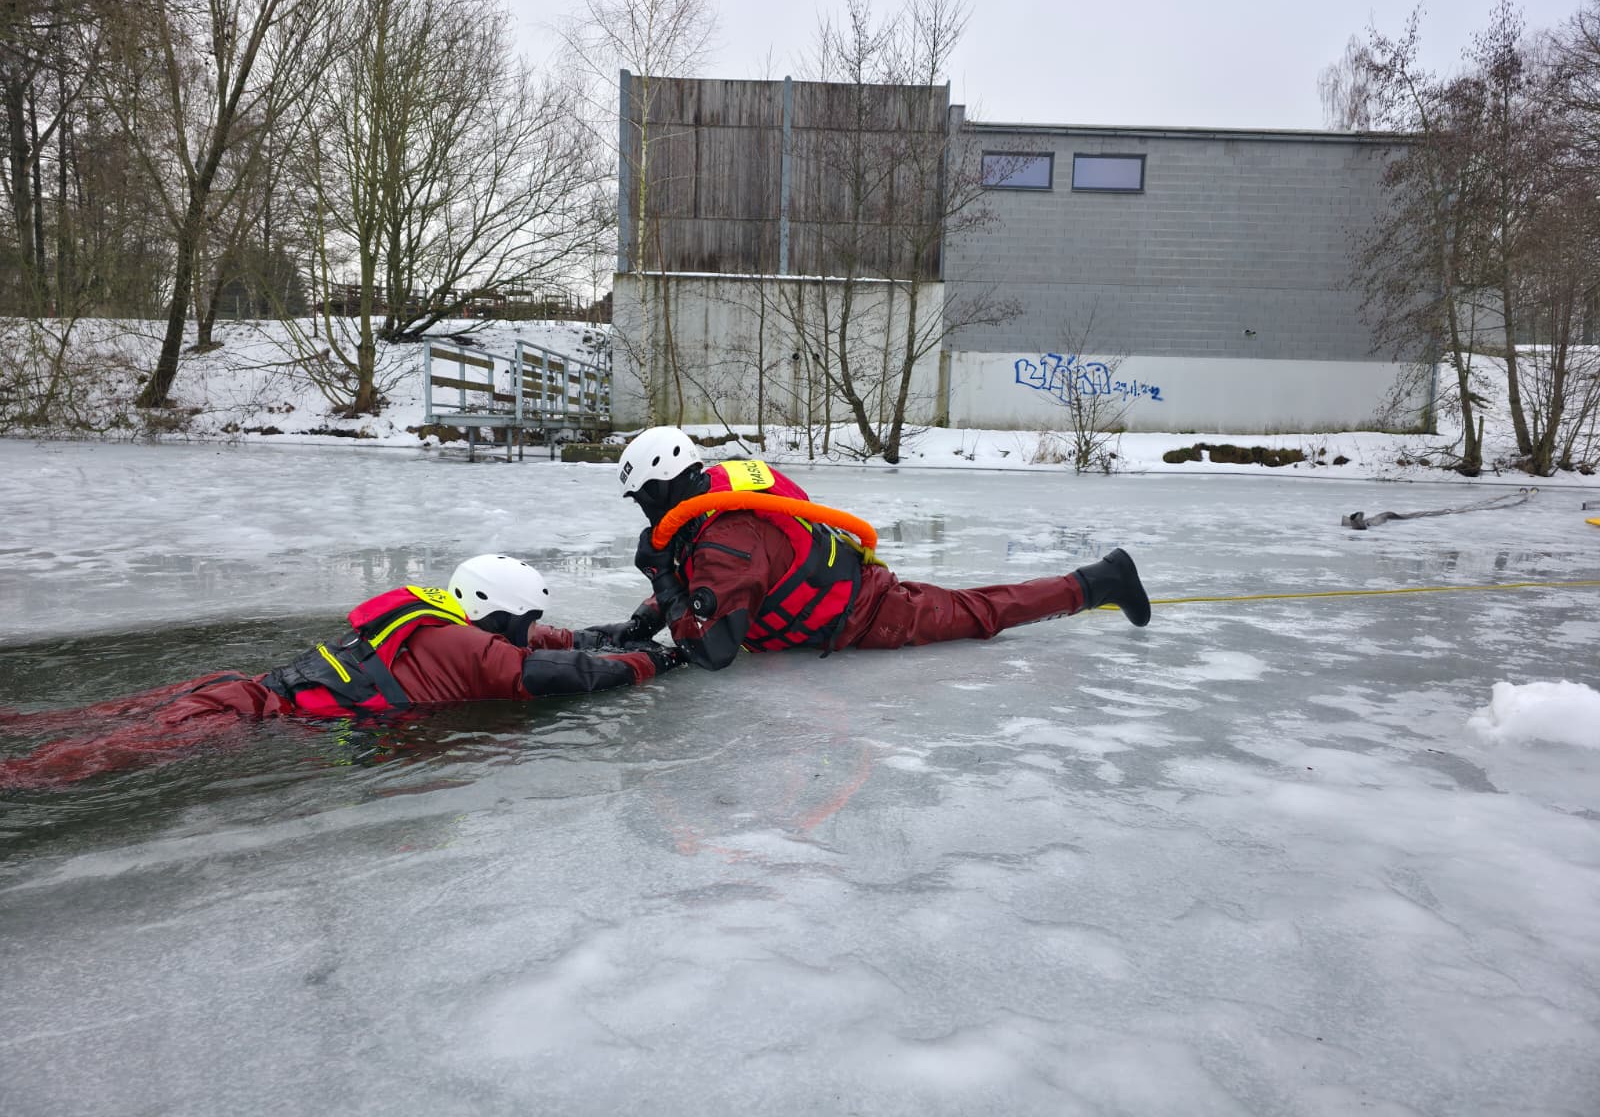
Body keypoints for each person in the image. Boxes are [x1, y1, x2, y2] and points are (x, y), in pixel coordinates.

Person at [0, 554, 684, 788]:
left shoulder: (442, 620)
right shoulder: (465, 648)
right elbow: (556, 675)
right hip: (242, 719)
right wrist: (652, 661)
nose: (524, 636)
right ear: (490, 614)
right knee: (83, 760)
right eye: (517, 624)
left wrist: (627, 628)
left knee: (70, 721)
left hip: (239, 693)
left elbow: (551, 644)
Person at [604, 427, 1152, 672]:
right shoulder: (715, 499)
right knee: (976, 606)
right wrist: (645, 619)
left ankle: (1099, 580)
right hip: (851, 594)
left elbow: (714, 651)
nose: (643, 512)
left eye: (643, 500)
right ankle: (1097, 580)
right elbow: (717, 591)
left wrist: (663, 582)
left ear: (662, 487)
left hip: (869, 617)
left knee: (982, 613)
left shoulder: (726, 539)